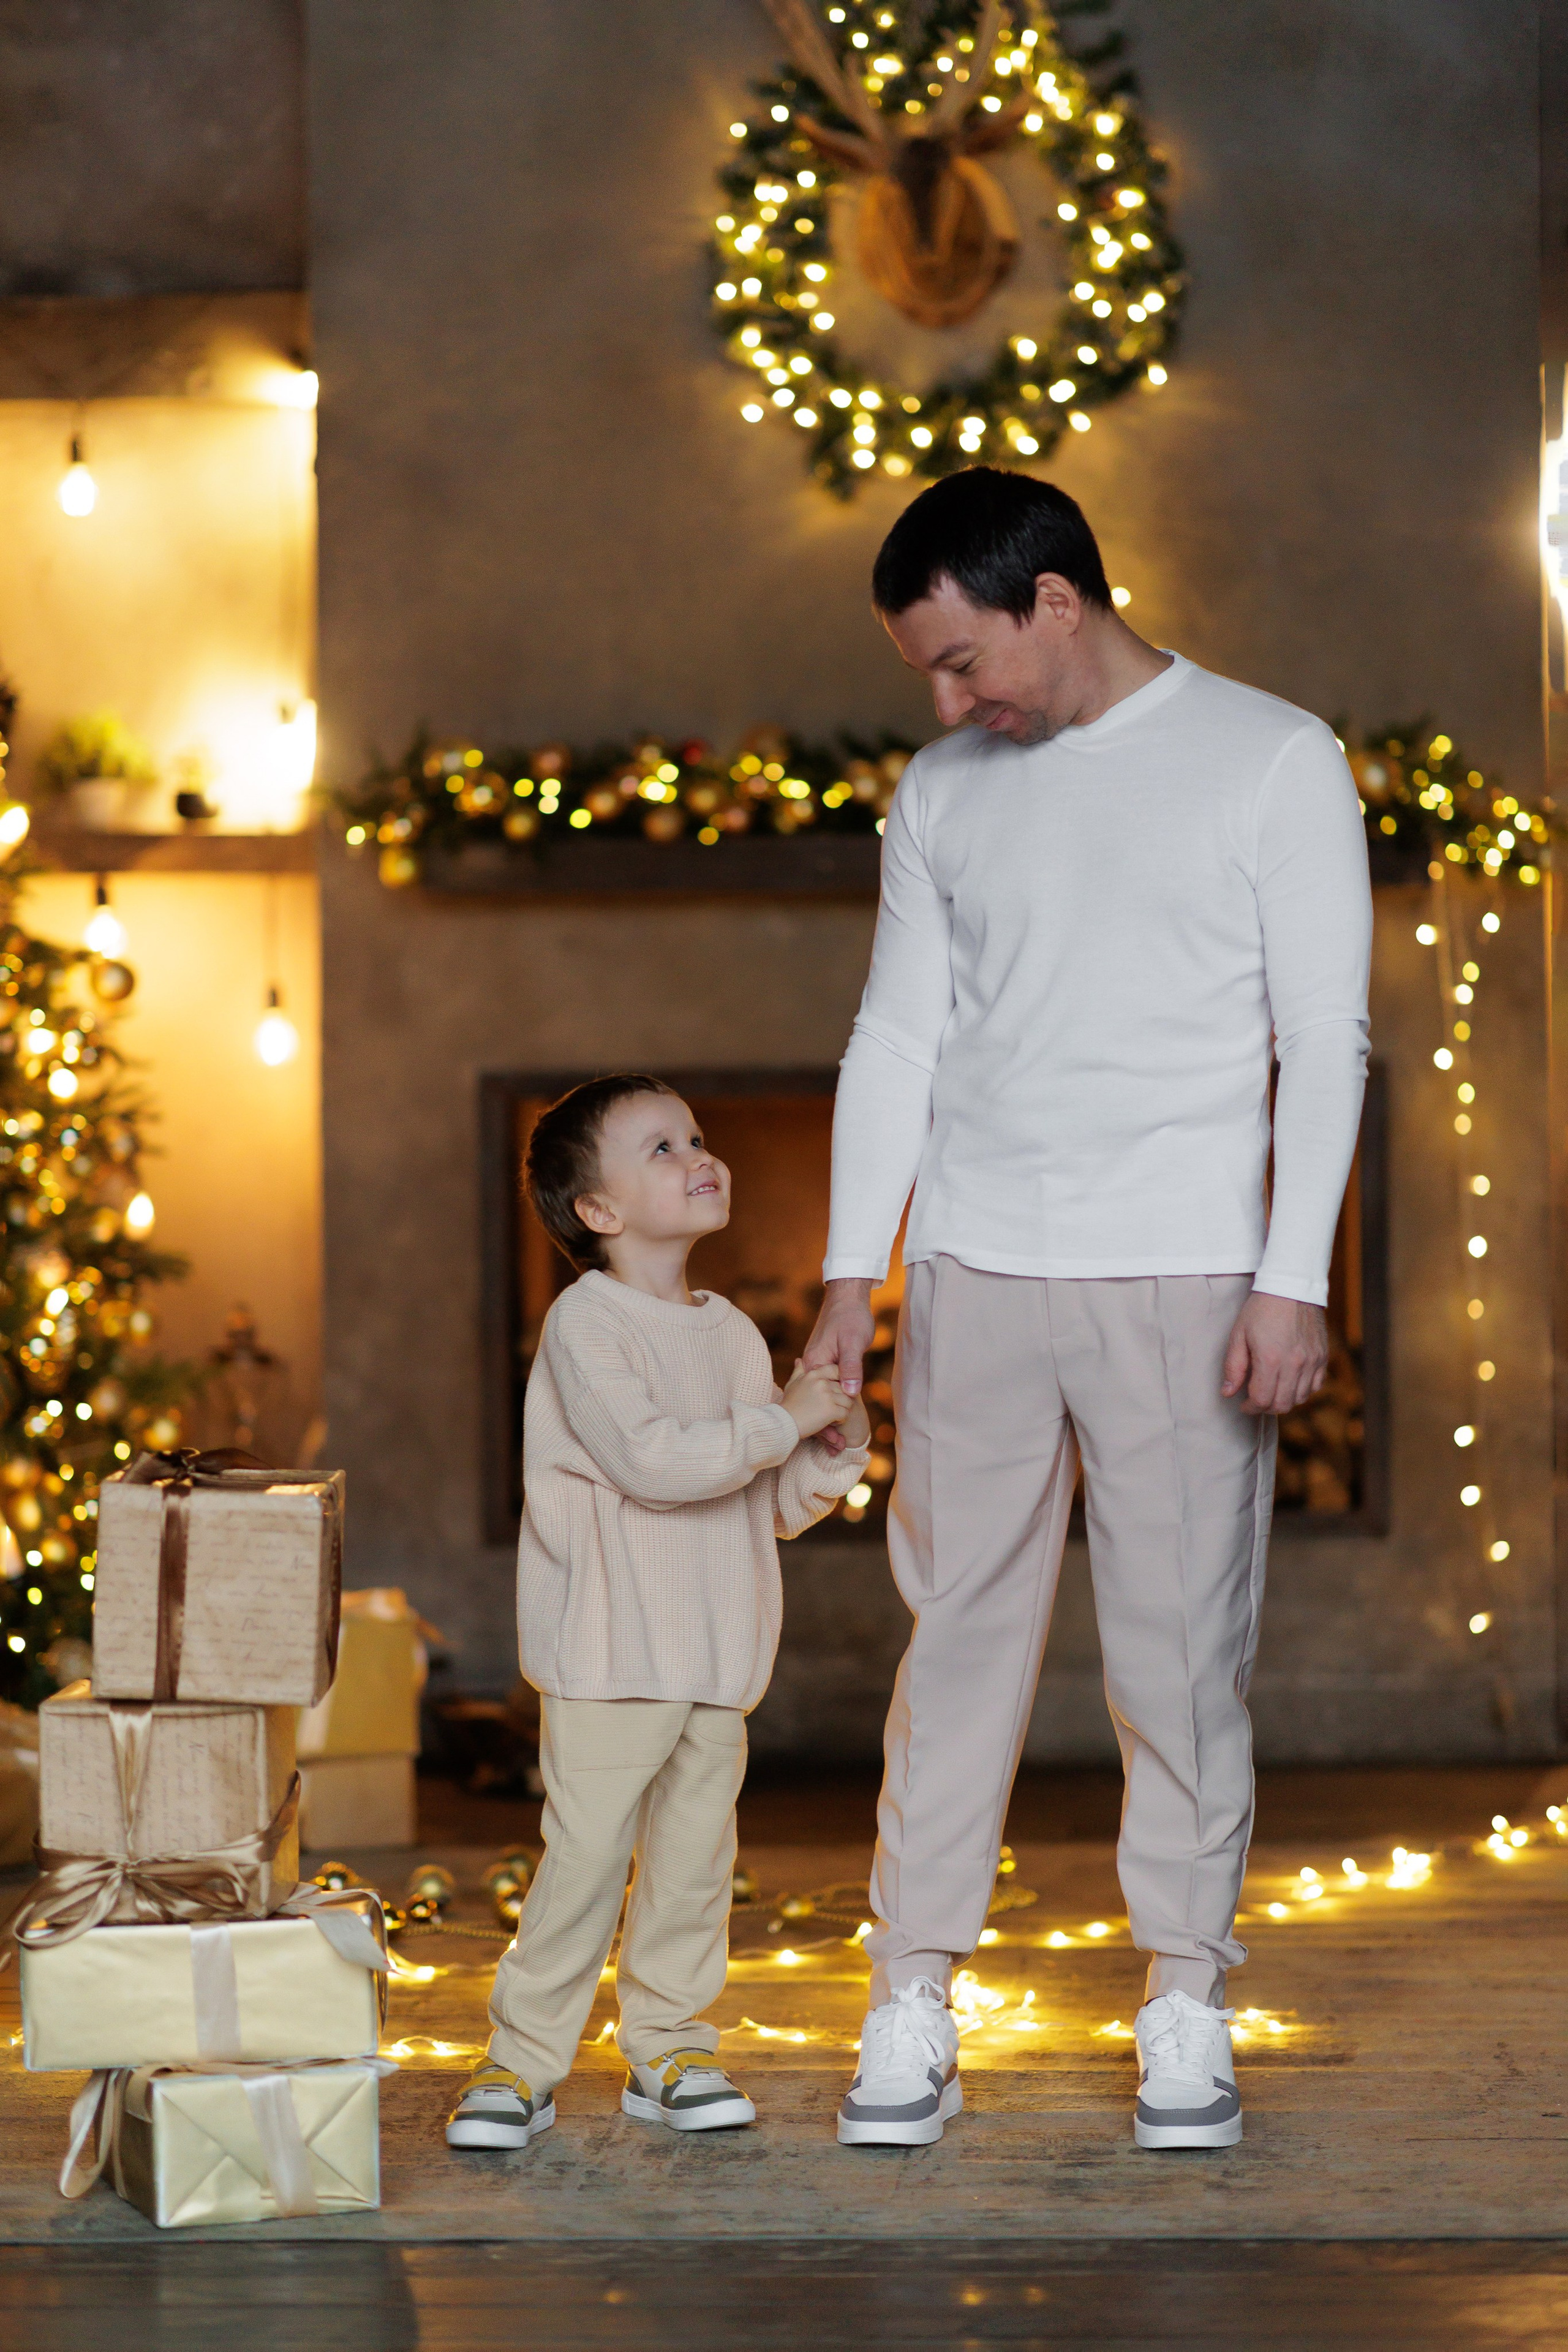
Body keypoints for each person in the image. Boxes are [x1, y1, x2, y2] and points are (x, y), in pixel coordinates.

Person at [807, 469, 1371, 2153]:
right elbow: (897, 1040)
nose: (947, 699)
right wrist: (856, 1277)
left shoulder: (1274, 757)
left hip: (1191, 1273)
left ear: (1060, 600)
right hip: (978, 1267)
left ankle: (1185, 1991)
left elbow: (1323, 1037)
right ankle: (913, 1987)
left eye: (963, 659)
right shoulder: (943, 787)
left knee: (1183, 1650)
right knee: (954, 1636)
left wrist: (1294, 1274)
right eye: (926, 671)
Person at [447, 1074, 869, 2152]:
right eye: (662, 1148)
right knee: (585, 1860)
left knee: (693, 1864)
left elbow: (758, 1502)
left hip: (717, 1656)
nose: (697, 1155)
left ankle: (671, 2043)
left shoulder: (728, 1331)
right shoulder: (587, 1328)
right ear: (600, 1211)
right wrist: (779, 1423)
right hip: (609, 1650)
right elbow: (654, 1464)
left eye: (696, 1136)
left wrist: (827, 1454)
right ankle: (521, 2061)